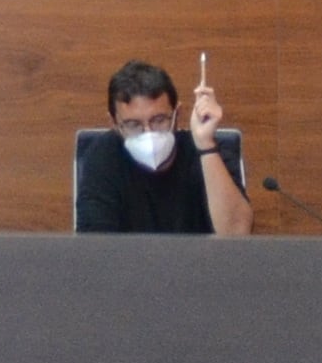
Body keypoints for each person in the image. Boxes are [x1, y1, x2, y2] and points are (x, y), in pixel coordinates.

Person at [73, 58, 248, 236]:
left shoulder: (209, 151)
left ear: (176, 115)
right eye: (133, 125)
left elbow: (237, 234)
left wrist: (206, 146)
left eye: (159, 120)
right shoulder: (102, 156)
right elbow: (95, 245)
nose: (148, 133)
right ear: (114, 124)